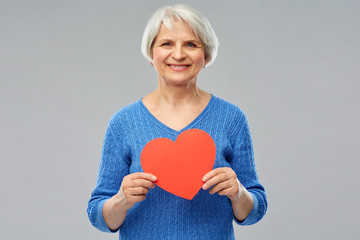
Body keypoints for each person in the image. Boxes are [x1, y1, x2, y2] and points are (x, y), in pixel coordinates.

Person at [87, 4, 267, 239]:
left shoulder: (231, 119)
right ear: (152, 54)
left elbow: (254, 211)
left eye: (191, 44)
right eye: (166, 43)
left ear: (206, 55)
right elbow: (98, 216)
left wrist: (239, 193)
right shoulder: (123, 123)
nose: (179, 54)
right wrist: (121, 200)